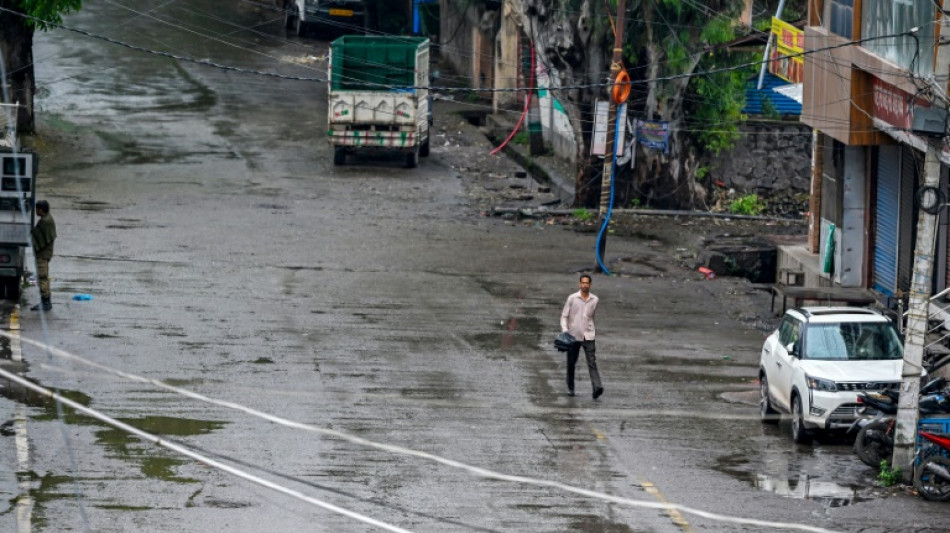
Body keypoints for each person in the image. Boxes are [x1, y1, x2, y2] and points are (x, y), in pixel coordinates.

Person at [560, 274, 603, 399]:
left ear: (590, 285)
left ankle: (597, 387)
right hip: (573, 335)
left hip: (589, 335)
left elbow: (592, 316)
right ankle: (570, 388)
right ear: (579, 284)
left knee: (591, 362)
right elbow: (564, 316)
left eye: (587, 283)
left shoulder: (594, 300)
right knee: (571, 363)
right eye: (582, 283)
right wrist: (565, 330)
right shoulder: (572, 298)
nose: (585, 285)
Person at [31, 200, 56, 311]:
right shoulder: (47, 219)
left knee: (42, 277)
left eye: (37, 209)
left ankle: (45, 302)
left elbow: (39, 237)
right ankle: (46, 301)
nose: (36, 211)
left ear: (41, 210)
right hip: (46, 253)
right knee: (43, 276)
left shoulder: (45, 222)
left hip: (43, 254)